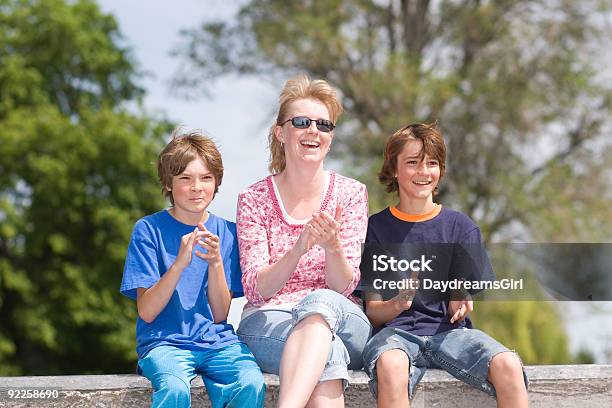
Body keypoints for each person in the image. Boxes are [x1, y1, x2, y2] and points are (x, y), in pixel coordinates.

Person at [361, 123, 529, 407]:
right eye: (412, 163)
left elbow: (462, 295)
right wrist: (397, 304)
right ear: (393, 169)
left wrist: (460, 298)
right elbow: (373, 313)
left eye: (431, 163)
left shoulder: (461, 228)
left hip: (451, 334)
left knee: (509, 364)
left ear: (440, 170)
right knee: (390, 365)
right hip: (395, 337)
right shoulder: (375, 229)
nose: (423, 172)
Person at [235, 75, 372, 408]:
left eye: (323, 125)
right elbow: (256, 290)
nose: (314, 130)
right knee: (327, 354)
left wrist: (332, 247)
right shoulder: (254, 199)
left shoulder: (351, 194)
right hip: (269, 321)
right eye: (302, 122)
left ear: (330, 137)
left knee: (320, 304)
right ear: (281, 132)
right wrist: (298, 250)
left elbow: (344, 287)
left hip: (343, 316)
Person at [120, 129, 265, 408]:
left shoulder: (229, 233)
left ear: (216, 182)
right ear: (169, 183)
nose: (196, 187)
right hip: (164, 344)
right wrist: (179, 264)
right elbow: (147, 311)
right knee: (173, 389)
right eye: (185, 178)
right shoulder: (149, 230)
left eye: (206, 178)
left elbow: (221, 313)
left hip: (217, 343)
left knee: (251, 382)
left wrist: (215, 263)